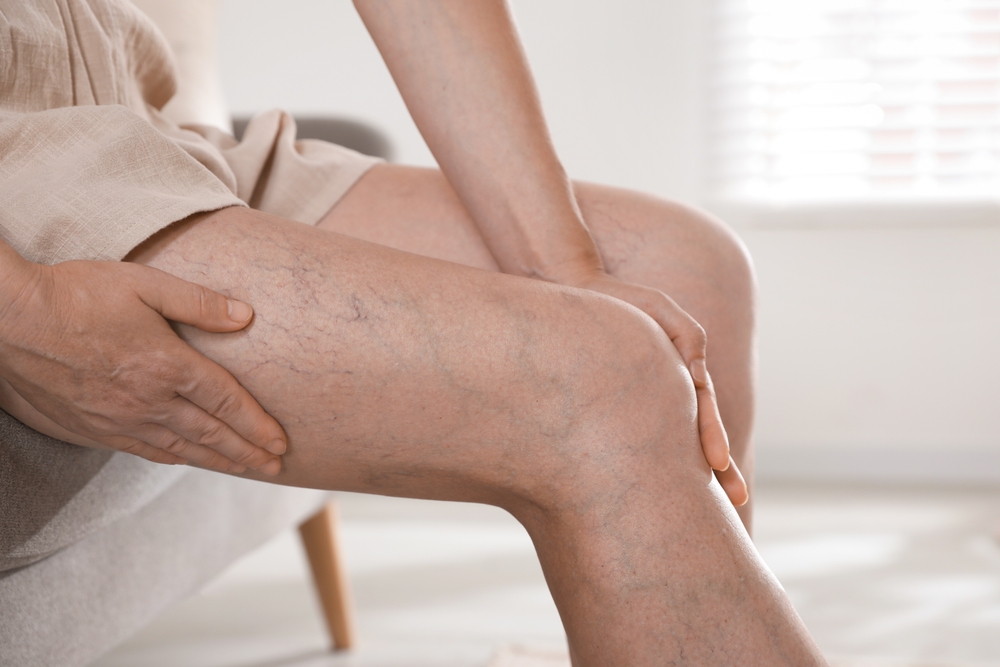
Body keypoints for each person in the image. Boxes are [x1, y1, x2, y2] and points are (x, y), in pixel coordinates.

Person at [0, 1, 827, 664]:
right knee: (607, 380)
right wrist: (24, 307)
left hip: (126, 105)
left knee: (692, 270)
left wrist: (564, 266)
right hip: (16, 170)